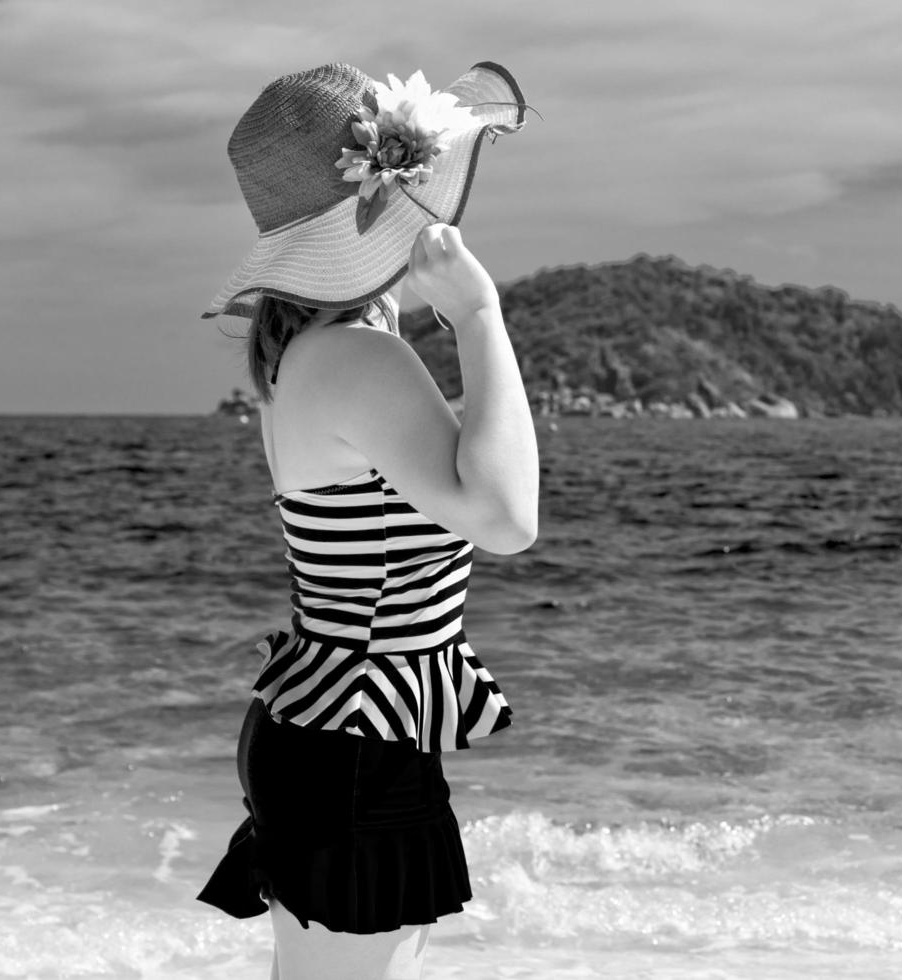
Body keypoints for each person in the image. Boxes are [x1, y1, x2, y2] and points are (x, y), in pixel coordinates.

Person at [194, 61, 538, 980]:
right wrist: (479, 316)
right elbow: (506, 518)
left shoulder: (301, 355)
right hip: (353, 746)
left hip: (325, 726)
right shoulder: (358, 357)